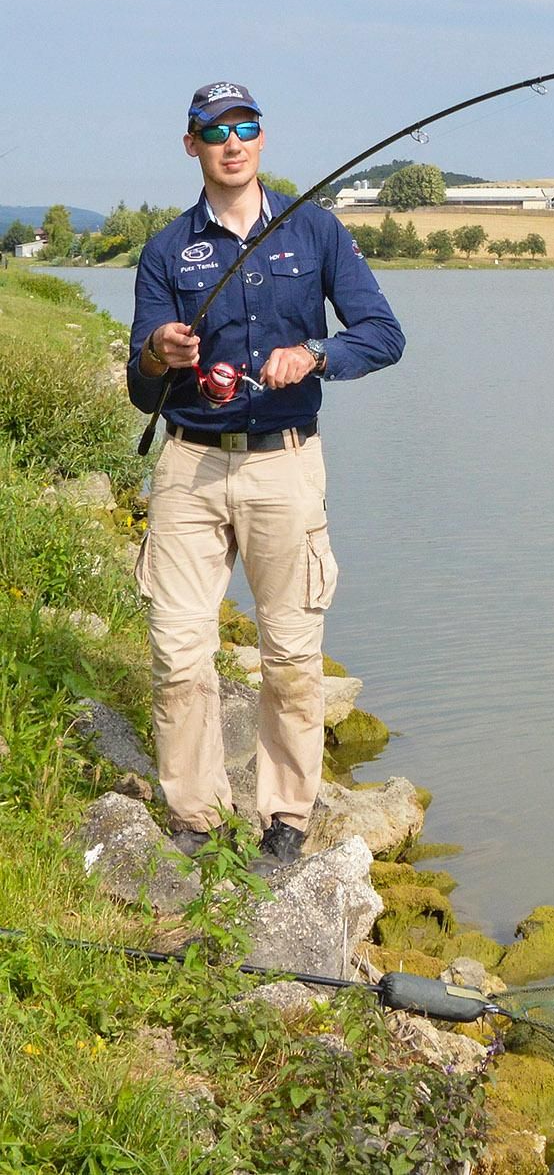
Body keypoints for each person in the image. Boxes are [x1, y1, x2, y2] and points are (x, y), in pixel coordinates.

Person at [128, 82, 404, 862]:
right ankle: (196, 818)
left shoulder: (314, 230)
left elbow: (384, 334)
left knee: (289, 655)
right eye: (216, 130)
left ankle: (285, 817)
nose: (233, 141)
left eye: (246, 126)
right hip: (188, 465)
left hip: (286, 464)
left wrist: (317, 353)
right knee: (180, 651)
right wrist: (159, 354)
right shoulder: (164, 249)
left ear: (262, 139)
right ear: (193, 146)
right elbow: (140, 386)